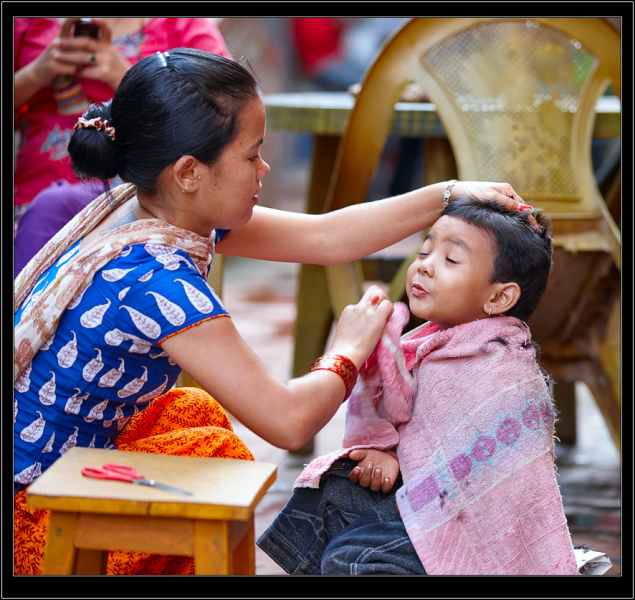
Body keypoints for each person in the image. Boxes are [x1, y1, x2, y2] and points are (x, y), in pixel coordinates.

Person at [14, 48, 531, 575]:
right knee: (216, 458)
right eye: (251, 154)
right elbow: (288, 421)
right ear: (190, 171)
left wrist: (449, 194)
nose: (264, 169)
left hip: (52, 459)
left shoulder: (147, 204)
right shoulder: (155, 280)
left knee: (195, 412)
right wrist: (348, 348)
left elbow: (326, 235)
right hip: (30, 518)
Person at [257, 197, 581, 575]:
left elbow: (480, 485)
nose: (425, 266)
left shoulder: (503, 372)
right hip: (426, 506)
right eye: (425, 250)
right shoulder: (425, 345)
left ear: (498, 297)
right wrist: (391, 454)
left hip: (469, 536)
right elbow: (426, 441)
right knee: (333, 488)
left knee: (351, 558)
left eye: (450, 260)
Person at [13, 17, 230, 230]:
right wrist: (34, 74)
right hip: (30, 206)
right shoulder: (26, 22)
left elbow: (226, 110)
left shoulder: (182, 23)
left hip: (140, 207)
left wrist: (125, 76)